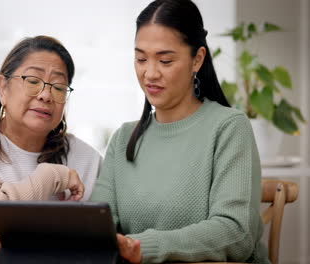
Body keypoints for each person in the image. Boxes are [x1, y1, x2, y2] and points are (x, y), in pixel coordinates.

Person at [90, 0, 269, 263]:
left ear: (196, 59)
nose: (149, 73)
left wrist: (142, 247)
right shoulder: (123, 139)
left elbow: (236, 233)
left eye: (165, 60)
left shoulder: (229, 127)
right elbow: (97, 226)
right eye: (140, 58)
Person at [0, 36, 102, 256]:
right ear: (4, 88)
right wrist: (51, 176)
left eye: (59, 87)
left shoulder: (86, 159)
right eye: (32, 82)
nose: (45, 95)